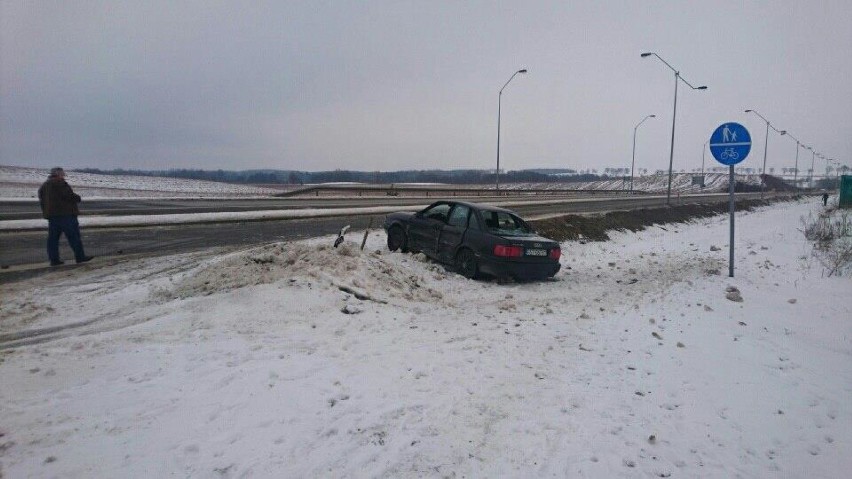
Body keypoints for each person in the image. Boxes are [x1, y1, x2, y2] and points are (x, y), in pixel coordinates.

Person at [37, 167, 93, 266]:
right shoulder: (60, 183)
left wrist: (46, 213)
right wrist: (77, 198)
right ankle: (80, 256)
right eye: (62, 174)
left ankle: (54, 259)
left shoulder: (44, 186)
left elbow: (42, 200)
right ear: (58, 174)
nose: (63, 176)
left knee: (53, 239)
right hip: (66, 215)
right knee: (74, 237)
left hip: (52, 216)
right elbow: (69, 196)